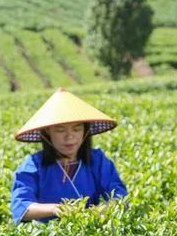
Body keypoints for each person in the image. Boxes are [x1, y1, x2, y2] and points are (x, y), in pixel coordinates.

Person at [11, 88, 127, 224]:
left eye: (77, 129)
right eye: (60, 130)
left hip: (91, 231)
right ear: (47, 133)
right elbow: (21, 206)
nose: (69, 137)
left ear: (85, 131)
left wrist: (97, 211)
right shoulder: (33, 165)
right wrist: (57, 209)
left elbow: (120, 197)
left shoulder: (98, 161)